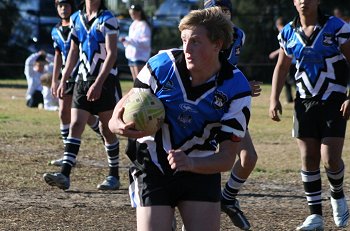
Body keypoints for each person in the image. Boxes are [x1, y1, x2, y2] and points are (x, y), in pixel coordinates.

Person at [109, 7, 252, 231]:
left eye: (196, 41)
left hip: (201, 167)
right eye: (184, 39)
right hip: (153, 164)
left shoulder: (236, 87)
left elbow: (225, 158)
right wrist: (115, 123)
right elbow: (132, 98)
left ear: (218, 44)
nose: (187, 48)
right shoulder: (161, 65)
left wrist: (191, 163)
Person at [269, 0, 350, 230]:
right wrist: (274, 98)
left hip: (334, 100)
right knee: (308, 158)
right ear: (294, 2)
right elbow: (282, 67)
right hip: (303, 102)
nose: (304, 0)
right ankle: (315, 216)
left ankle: (337, 194)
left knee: (330, 158)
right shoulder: (288, 32)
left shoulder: (336, 27)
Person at [43, 0, 122, 191]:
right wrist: (64, 78)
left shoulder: (108, 19)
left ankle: (114, 175)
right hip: (81, 79)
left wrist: (99, 82)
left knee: (107, 130)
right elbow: (73, 50)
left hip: (105, 80)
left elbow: (111, 54)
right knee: (76, 124)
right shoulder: (76, 18)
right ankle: (64, 174)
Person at [203, 1, 259, 230]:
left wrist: (243, 84)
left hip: (229, 106)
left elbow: (229, 68)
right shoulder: (200, 33)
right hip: (203, 106)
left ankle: (227, 199)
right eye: (216, 10)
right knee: (206, 163)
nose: (222, 14)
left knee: (249, 158)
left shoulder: (239, 35)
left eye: (225, 10)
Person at [49, 0, 103, 166]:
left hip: (82, 74)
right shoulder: (55, 31)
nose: (63, 9)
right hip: (66, 76)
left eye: (66, 5)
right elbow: (58, 55)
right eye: (60, 6)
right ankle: (67, 153)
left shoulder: (78, 21)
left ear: (72, 7)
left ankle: (103, 132)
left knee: (82, 116)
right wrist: (55, 80)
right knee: (63, 113)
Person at [119, 4, 152, 80]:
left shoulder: (144, 25)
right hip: (132, 57)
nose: (132, 16)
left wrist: (128, 40)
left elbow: (146, 42)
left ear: (139, 12)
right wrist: (125, 41)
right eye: (130, 14)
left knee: (140, 82)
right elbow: (131, 39)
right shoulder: (133, 24)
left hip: (140, 57)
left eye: (133, 13)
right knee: (135, 81)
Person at [269, 16, 295, 104]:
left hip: (291, 61)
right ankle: (289, 99)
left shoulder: (286, 31)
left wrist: (274, 53)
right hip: (292, 60)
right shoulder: (290, 30)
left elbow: (285, 48)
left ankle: (300, 92)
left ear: (279, 25)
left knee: (291, 79)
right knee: (287, 81)